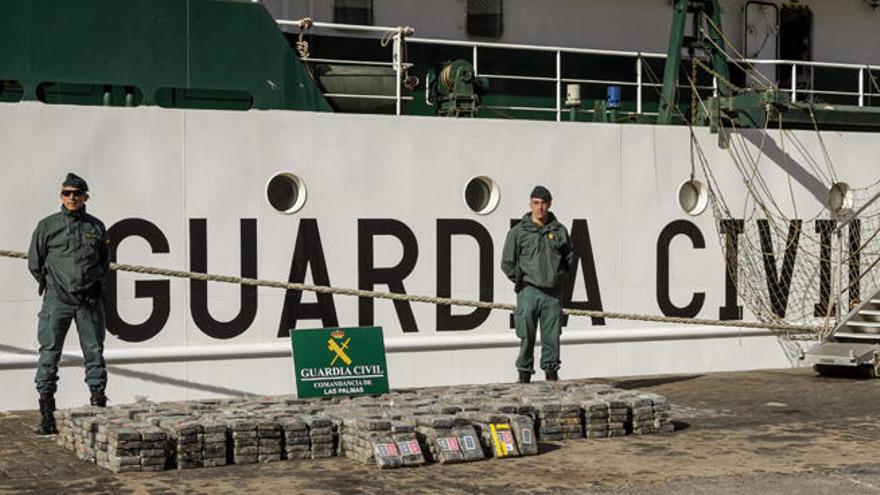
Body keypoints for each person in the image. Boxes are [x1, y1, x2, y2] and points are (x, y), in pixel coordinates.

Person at [28, 173, 110, 435]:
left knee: (94, 353)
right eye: (67, 193)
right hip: (58, 302)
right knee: (49, 354)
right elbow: (35, 262)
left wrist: (95, 283)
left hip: (88, 301)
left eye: (77, 193)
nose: (72, 198)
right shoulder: (48, 226)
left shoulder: (96, 227)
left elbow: (102, 262)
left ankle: (98, 407)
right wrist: (54, 286)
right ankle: (47, 415)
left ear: (86, 196)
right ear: (61, 196)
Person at [501, 186, 573, 384]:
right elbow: (507, 262)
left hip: (552, 293)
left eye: (543, 203)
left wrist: (557, 277)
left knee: (552, 337)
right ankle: (524, 374)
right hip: (529, 291)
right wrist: (521, 280)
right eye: (536, 203)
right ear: (530, 204)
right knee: (526, 334)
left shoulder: (560, 231)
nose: (540, 208)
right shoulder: (518, 232)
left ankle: (551, 374)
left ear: (549, 204)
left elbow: (569, 259)